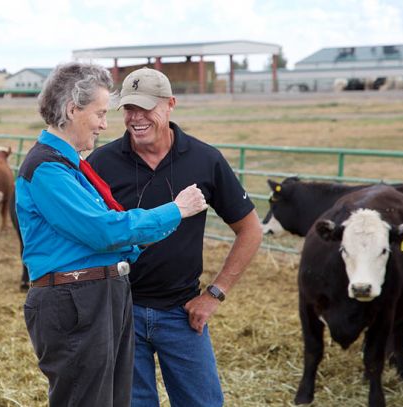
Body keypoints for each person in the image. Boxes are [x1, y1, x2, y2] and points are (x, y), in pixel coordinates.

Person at [16, 62, 209, 407]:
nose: (105, 124)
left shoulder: (69, 166)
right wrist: (175, 210)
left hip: (96, 295)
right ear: (72, 109)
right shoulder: (47, 169)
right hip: (76, 298)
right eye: (100, 113)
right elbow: (103, 231)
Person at [87, 67, 263, 407]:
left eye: (146, 108)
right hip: (121, 312)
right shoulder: (102, 163)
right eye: (129, 109)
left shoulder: (204, 159)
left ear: (170, 104)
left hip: (181, 312)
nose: (136, 118)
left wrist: (214, 294)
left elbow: (250, 229)